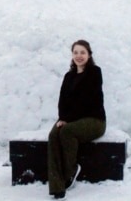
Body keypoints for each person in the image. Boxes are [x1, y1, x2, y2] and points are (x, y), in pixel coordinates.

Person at [47, 39, 106, 199]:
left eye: (82, 52)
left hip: (94, 120)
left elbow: (87, 100)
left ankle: (71, 171)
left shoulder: (95, 72)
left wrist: (67, 119)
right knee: (53, 135)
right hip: (70, 118)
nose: (79, 56)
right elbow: (62, 100)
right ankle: (57, 187)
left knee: (66, 131)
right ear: (72, 55)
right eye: (75, 52)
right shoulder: (69, 76)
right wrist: (62, 117)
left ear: (89, 55)